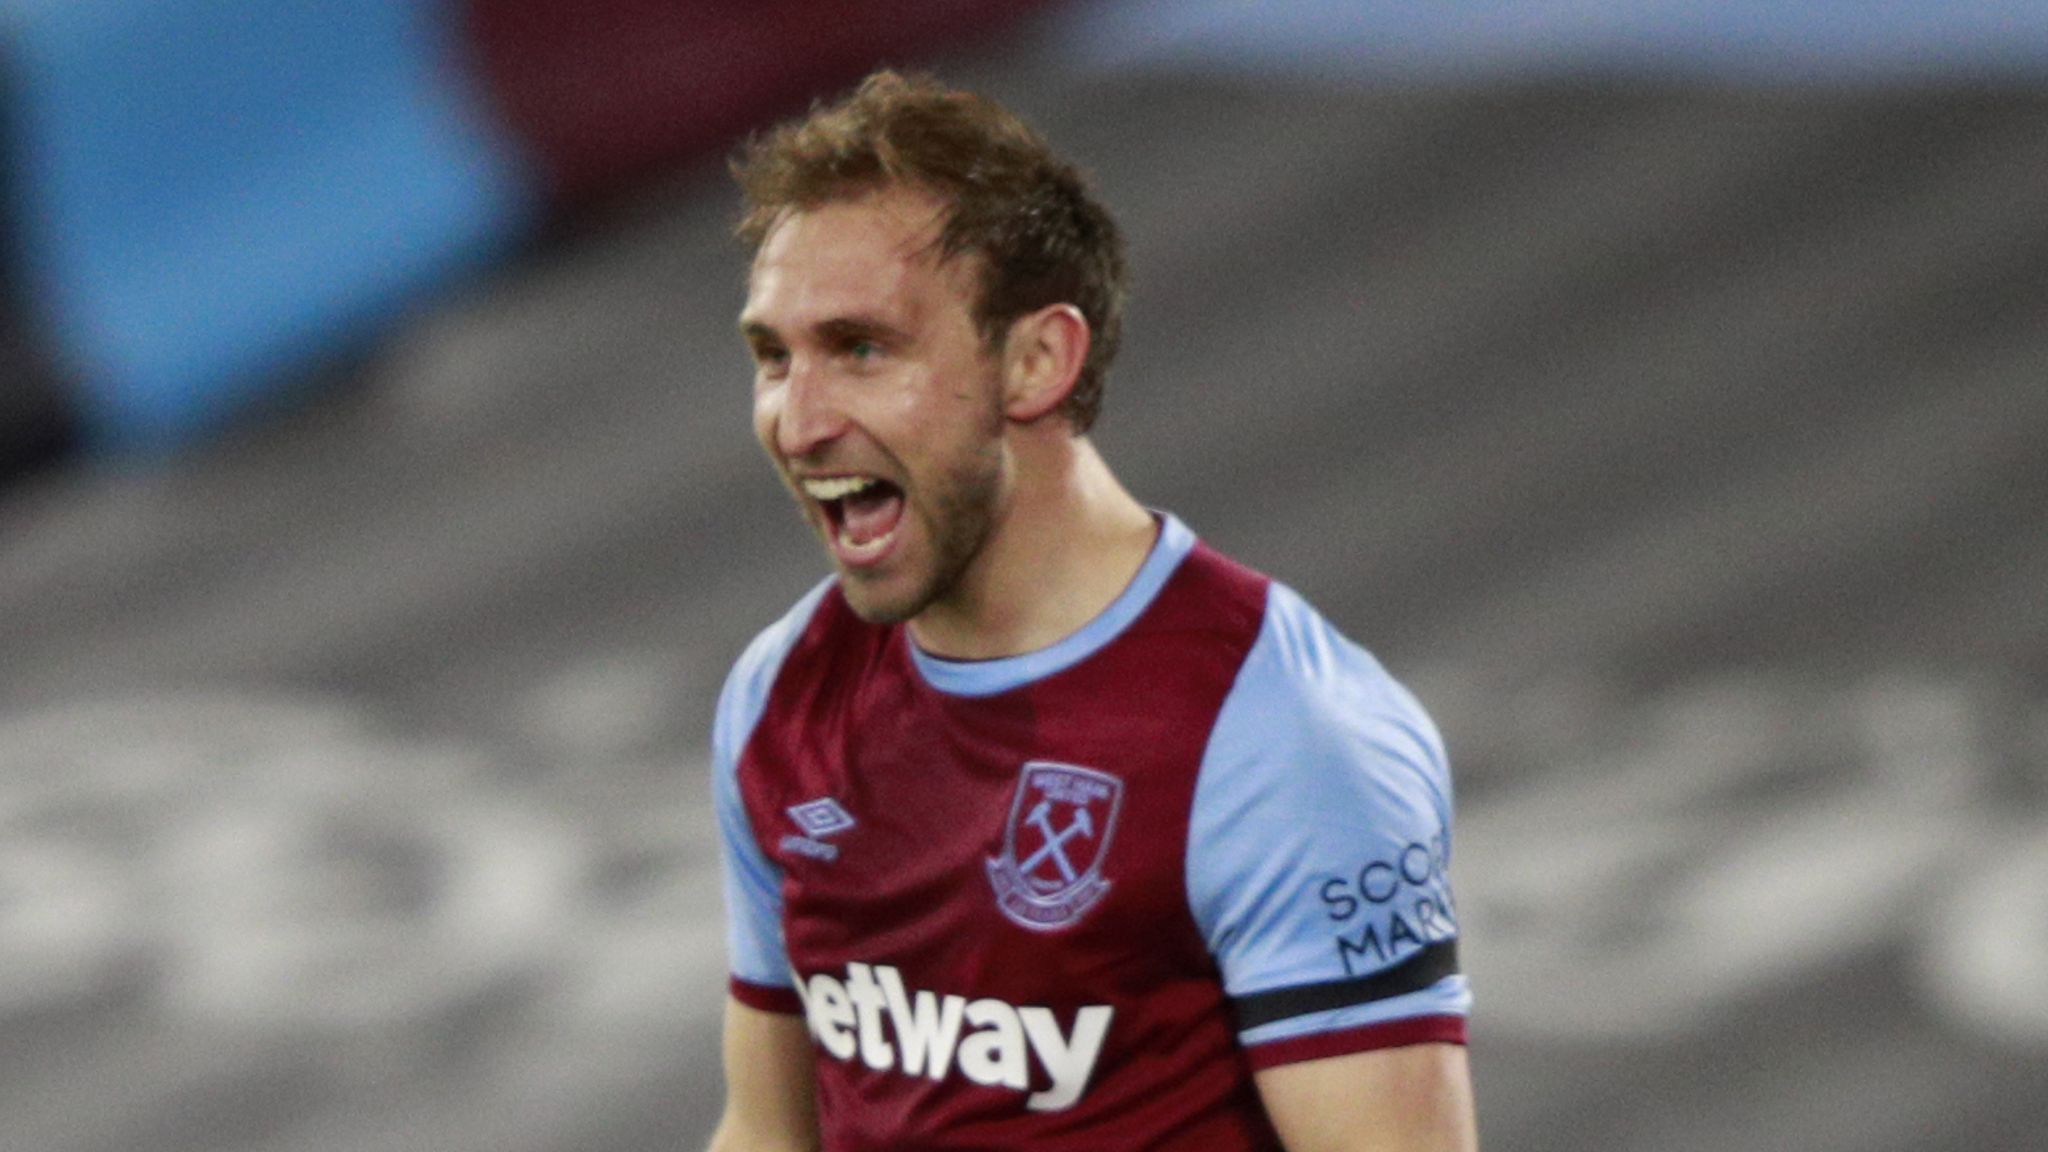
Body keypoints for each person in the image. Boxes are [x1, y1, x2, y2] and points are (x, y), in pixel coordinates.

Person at [709, 71, 1477, 1152]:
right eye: (772, 357)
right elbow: (767, 1132)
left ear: (1034, 360)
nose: (799, 420)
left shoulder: (1285, 739)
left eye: (861, 348)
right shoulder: (780, 695)